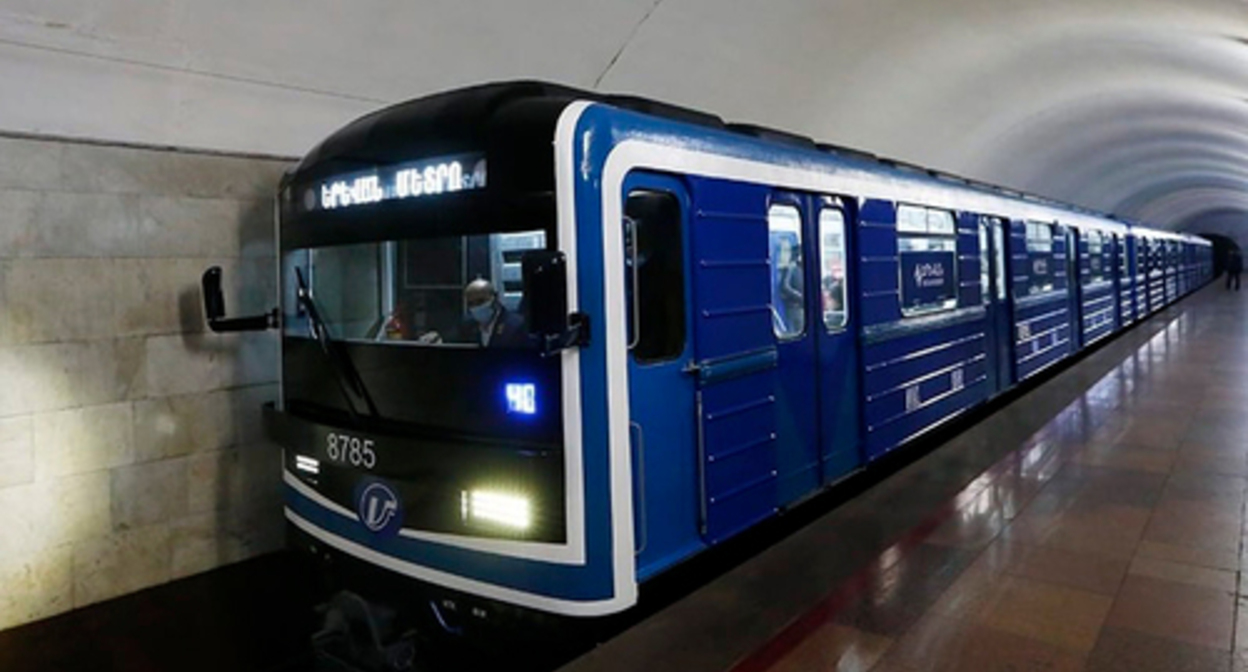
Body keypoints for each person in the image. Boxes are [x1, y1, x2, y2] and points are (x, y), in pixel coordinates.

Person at [449, 278, 528, 347]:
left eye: (481, 301)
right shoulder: (467, 326)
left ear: (495, 298)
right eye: (471, 303)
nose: (476, 307)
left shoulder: (516, 326)